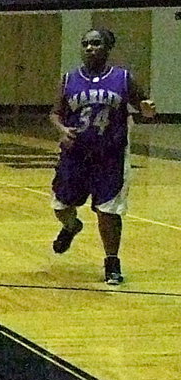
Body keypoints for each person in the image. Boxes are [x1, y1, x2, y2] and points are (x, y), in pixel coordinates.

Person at [49, 28, 155, 285]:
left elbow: (146, 109)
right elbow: (54, 114)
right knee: (61, 206)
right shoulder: (69, 79)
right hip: (75, 154)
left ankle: (112, 261)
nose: (89, 48)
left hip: (110, 155)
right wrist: (62, 131)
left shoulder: (123, 78)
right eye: (85, 43)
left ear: (107, 48)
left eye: (95, 43)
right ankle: (72, 226)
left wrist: (147, 110)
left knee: (108, 211)